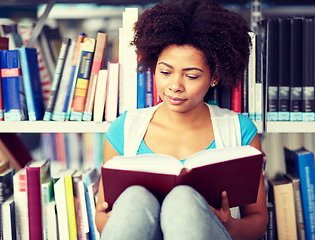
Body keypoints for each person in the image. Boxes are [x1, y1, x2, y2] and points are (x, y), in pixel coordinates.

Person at [95, 0, 268, 239]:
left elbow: (258, 222)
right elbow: (102, 217)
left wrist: (229, 225)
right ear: (153, 68)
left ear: (214, 77)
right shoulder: (124, 129)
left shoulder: (239, 131)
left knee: (184, 199)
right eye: (165, 72)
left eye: (192, 76)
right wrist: (120, 216)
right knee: (135, 198)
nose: (175, 86)